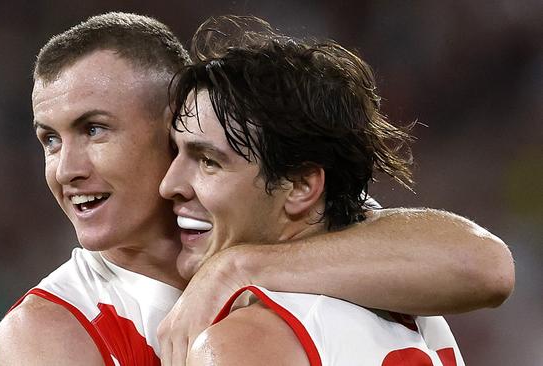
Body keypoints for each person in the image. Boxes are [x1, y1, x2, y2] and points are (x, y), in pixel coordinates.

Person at [0, 12, 514, 366]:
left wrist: (236, 268)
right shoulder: (48, 331)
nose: (66, 169)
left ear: (175, 127)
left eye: (95, 129)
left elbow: (487, 266)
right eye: (49, 140)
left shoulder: (311, 236)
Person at [159, 15, 467, 365]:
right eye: (176, 152)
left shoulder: (242, 343)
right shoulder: (416, 306)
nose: (169, 185)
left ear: (302, 186)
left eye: (208, 161)